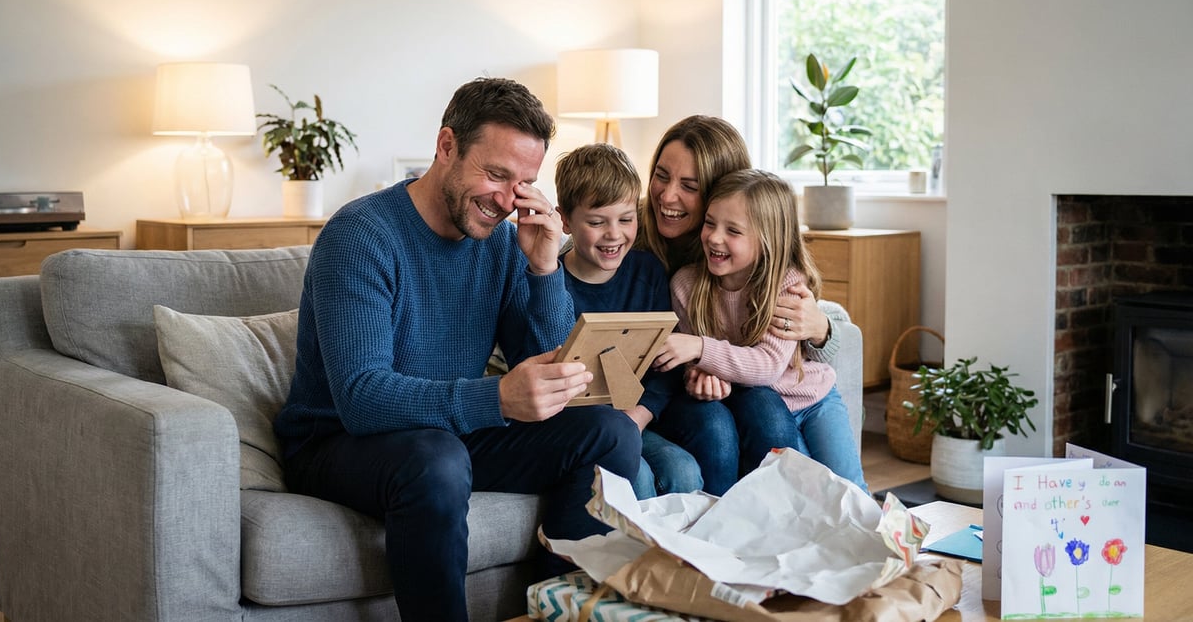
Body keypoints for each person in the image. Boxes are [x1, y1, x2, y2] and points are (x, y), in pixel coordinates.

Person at [273, 77, 641, 621]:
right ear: (447, 146)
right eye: (495, 174)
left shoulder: (501, 241)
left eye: (522, 182)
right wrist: (495, 399)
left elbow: (552, 366)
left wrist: (543, 270)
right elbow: (361, 397)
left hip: (446, 433)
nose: (505, 199)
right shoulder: (360, 236)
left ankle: (549, 611)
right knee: (436, 460)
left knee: (610, 432)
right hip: (338, 442)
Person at [635, 115, 847, 493]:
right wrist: (696, 368)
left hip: (773, 390)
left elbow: (785, 346)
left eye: (689, 185)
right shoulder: (629, 237)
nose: (666, 196)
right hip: (670, 393)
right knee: (725, 421)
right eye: (661, 176)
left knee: (835, 484)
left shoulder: (770, 273)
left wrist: (822, 328)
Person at [553, 142, 702, 499]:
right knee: (638, 478)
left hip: (633, 417)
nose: (614, 234)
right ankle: (633, 556)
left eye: (625, 218)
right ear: (565, 220)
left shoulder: (647, 272)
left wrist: (638, 417)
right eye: (596, 222)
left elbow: (662, 366)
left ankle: (677, 555)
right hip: (577, 426)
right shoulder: (551, 282)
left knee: (684, 471)